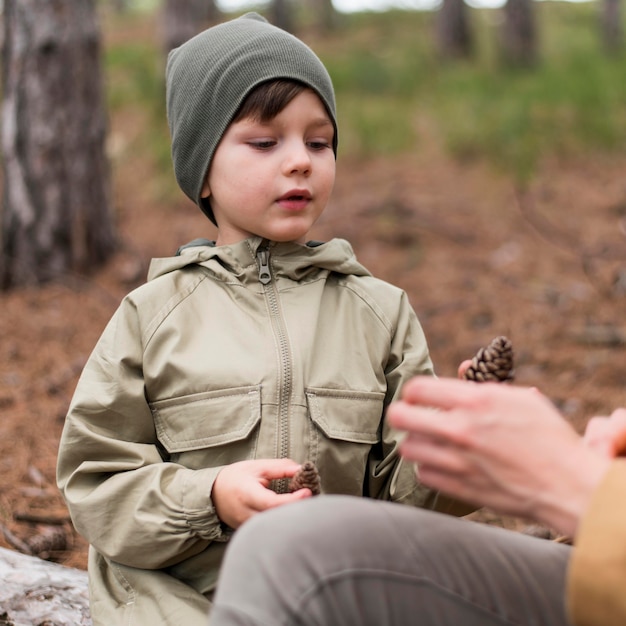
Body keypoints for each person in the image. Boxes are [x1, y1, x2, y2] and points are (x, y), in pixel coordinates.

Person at [55, 13, 473, 625]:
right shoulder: (152, 315)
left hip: (335, 601)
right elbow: (97, 483)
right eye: (264, 142)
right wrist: (211, 498)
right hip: (182, 605)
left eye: (319, 141)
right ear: (202, 171)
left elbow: (404, 505)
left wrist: (455, 444)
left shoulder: (378, 312)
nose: (300, 161)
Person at [210, 377, 626, 626]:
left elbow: (406, 489)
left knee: (289, 553)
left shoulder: (378, 307)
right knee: (293, 550)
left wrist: (586, 490)